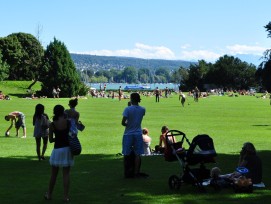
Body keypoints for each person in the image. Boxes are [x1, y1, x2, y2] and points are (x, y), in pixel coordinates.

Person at [44, 105, 74, 202]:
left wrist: (58, 138)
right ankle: (65, 196)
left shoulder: (52, 124)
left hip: (57, 149)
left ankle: (49, 194)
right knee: (66, 174)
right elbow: (73, 133)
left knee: (53, 174)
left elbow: (51, 140)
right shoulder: (68, 122)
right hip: (67, 149)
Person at [121, 92, 146, 178]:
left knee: (126, 154)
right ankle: (136, 172)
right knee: (137, 154)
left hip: (128, 133)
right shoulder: (143, 109)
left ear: (131, 99)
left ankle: (127, 172)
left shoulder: (127, 109)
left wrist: (128, 107)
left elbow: (123, 122)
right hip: (138, 133)